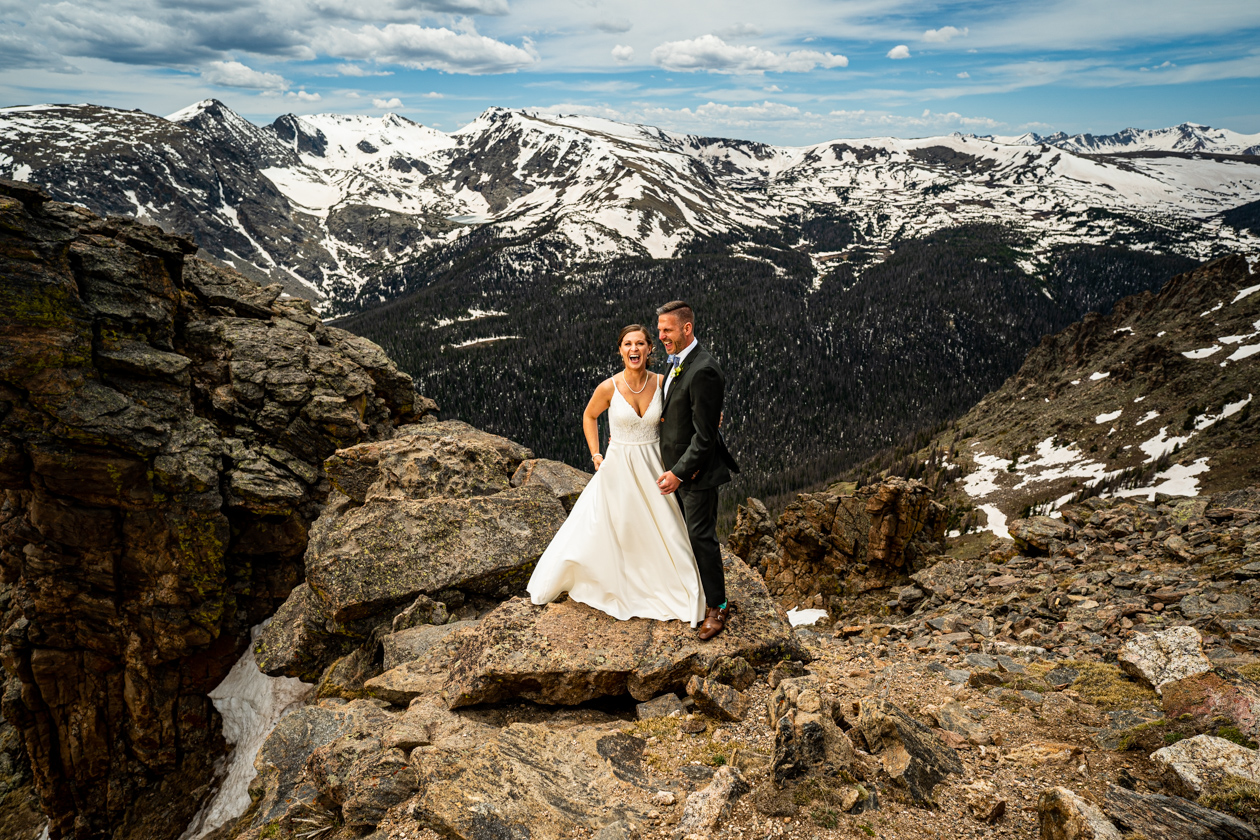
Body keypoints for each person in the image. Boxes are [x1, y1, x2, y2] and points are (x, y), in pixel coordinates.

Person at [526, 324, 705, 627]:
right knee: (617, 527)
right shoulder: (608, 387)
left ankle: (667, 585)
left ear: (650, 349)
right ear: (620, 350)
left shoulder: (664, 382)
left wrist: (709, 416)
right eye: (627, 344)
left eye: (640, 344)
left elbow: (685, 412)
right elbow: (589, 416)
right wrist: (596, 453)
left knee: (666, 530)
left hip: (654, 465)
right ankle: (617, 582)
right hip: (618, 465)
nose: (633, 349)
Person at [655, 300, 740, 640]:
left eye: (667, 330)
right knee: (682, 536)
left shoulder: (703, 369)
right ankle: (693, 594)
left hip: (696, 474)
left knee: (701, 538)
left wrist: (678, 473)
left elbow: (705, 438)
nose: (662, 336)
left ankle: (717, 607)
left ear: (686, 328)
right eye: (659, 330)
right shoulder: (680, 363)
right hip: (678, 469)